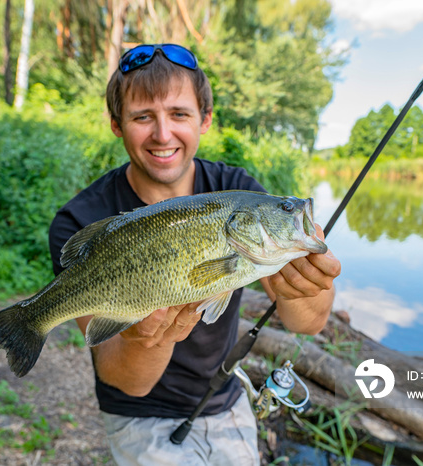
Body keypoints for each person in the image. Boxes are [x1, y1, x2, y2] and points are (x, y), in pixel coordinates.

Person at [49, 43, 341, 466]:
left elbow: (307, 323)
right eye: (142, 116)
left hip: (223, 397)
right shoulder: (81, 219)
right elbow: (123, 380)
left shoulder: (240, 192)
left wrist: (306, 287)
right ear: (116, 124)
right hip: (138, 412)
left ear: (205, 119)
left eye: (179, 114)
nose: (162, 134)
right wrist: (146, 340)